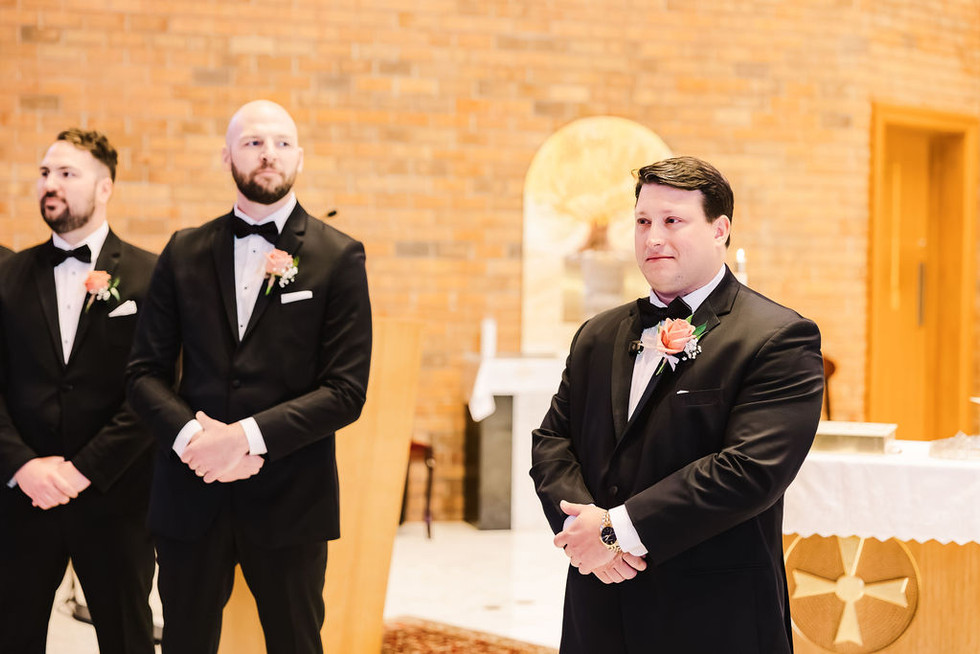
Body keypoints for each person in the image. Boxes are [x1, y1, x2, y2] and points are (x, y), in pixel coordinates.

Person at [530, 156, 824, 653]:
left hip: (713, 612)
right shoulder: (597, 334)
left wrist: (615, 532)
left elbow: (749, 470)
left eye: (673, 221)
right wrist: (581, 530)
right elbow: (553, 441)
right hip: (599, 601)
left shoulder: (777, 337)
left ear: (719, 230)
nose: (653, 238)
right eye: (643, 222)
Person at [126, 99, 372, 654]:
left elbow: (346, 391)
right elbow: (143, 374)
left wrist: (241, 439)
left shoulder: (338, 257)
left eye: (282, 143)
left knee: (295, 642)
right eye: (253, 142)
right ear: (227, 157)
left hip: (291, 497)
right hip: (190, 493)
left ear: (300, 158)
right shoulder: (183, 251)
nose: (268, 154)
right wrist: (197, 442)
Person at [0, 129, 157, 654]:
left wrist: (83, 469)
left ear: (105, 187)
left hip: (116, 497)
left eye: (68, 174)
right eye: (46, 173)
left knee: (127, 638)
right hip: (23, 499)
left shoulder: (151, 276)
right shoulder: (7, 276)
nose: (52, 184)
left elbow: (154, 388)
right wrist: (23, 465)